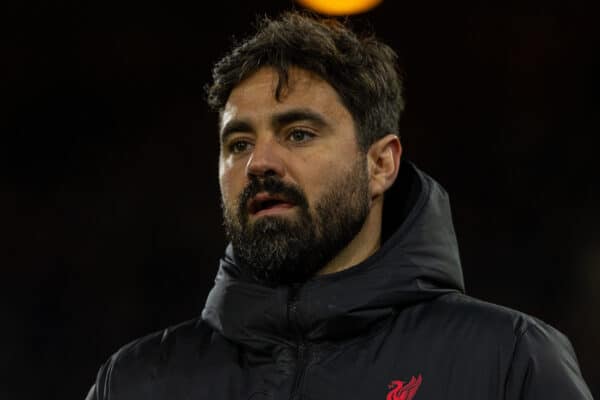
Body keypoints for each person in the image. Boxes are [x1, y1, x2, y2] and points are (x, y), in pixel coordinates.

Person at [85, 10, 593, 400]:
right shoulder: (134, 381)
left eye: (299, 133)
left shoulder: (508, 360)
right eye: (238, 143)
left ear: (381, 164)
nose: (259, 162)